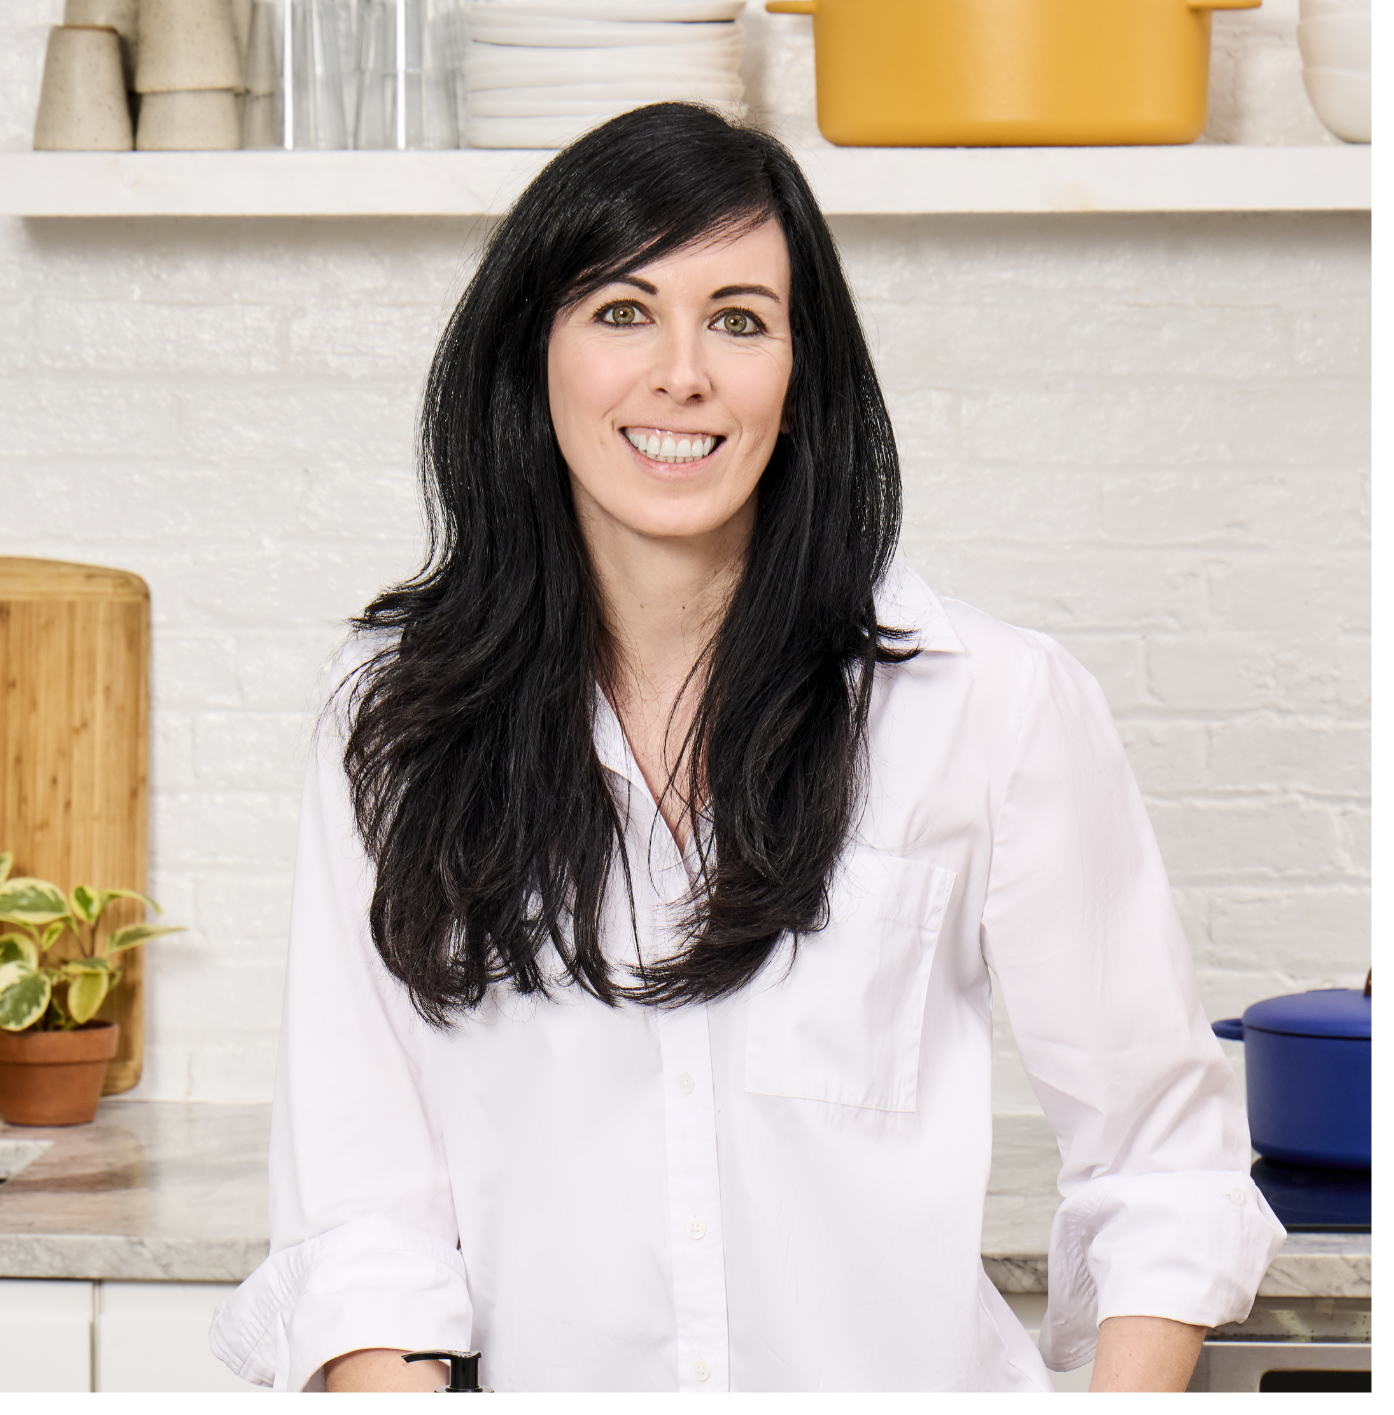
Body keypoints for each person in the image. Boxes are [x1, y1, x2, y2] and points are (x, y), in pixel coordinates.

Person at [209, 103, 1283, 1393]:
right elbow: (362, 1211)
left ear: (800, 372)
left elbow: (1160, 1164)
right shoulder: (394, 711)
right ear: (529, 356)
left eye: (738, 318)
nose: (683, 374)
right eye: (621, 311)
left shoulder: (986, 703)